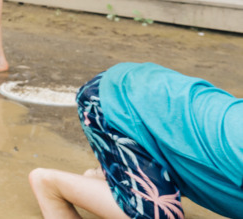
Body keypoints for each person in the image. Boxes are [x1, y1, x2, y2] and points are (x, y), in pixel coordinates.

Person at [28, 62, 243, 219]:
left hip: (161, 111)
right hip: (116, 102)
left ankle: (109, 182)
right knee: (158, 214)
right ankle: (50, 184)